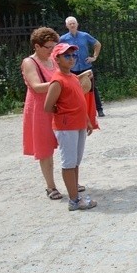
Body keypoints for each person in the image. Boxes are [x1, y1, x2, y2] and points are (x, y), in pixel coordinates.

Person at [43, 43, 97, 211]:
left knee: (75, 162)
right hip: (67, 127)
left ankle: (76, 196)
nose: (72, 59)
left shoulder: (73, 77)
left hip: (78, 124)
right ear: (57, 59)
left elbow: (79, 101)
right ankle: (74, 200)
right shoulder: (58, 80)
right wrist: (63, 114)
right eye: (67, 56)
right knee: (68, 163)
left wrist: (87, 120)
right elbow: (47, 106)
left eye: (74, 55)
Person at [22, 27, 63, 199]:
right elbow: (37, 87)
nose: (52, 50)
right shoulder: (29, 62)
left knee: (67, 144)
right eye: (48, 47)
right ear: (37, 46)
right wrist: (61, 81)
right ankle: (51, 186)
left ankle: (71, 181)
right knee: (45, 148)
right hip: (39, 109)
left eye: (54, 46)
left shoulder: (53, 59)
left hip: (56, 106)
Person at [59, 16, 104, 117]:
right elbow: (57, 51)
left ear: (77, 24)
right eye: (70, 23)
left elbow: (97, 44)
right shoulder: (63, 39)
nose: (72, 25)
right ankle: (75, 110)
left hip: (86, 67)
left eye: (74, 23)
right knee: (73, 90)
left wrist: (94, 57)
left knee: (92, 88)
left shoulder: (85, 35)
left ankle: (99, 109)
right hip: (72, 68)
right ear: (66, 26)